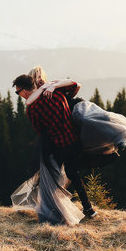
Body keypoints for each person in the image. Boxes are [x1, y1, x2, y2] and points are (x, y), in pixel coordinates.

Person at [12, 74, 97, 224]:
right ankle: (88, 209)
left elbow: (40, 130)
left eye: (17, 92)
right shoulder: (57, 92)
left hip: (57, 146)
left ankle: (54, 212)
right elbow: (75, 85)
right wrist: (52, 85)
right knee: (73, 174)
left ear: (24, 91)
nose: (19, 95)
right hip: (74, 141)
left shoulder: (32, 108)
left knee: (50, 180)